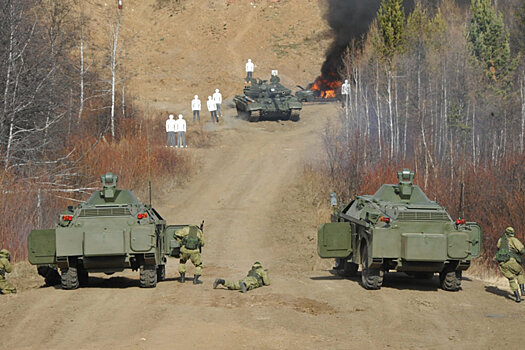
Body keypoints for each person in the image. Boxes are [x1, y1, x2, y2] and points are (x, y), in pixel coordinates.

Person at [495, 227, 525, 302]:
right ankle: (522, 290)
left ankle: (517, 297)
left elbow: (498, 248)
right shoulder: (513, 240)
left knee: (511, 279)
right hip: (511, 261)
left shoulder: (500, 240)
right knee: (519, 273)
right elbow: (522, 250)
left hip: (502, 264)